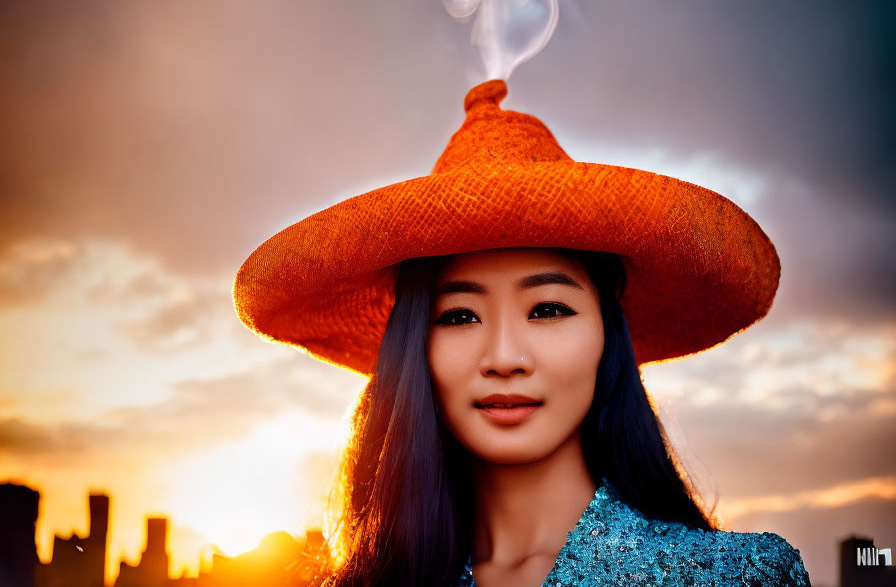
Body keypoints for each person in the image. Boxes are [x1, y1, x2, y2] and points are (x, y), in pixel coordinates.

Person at [233, 80, 812, 586]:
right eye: (458, 316)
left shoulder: (735, 577)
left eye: (549, 309)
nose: (504, 357)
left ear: (607, 336)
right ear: (414, 350)